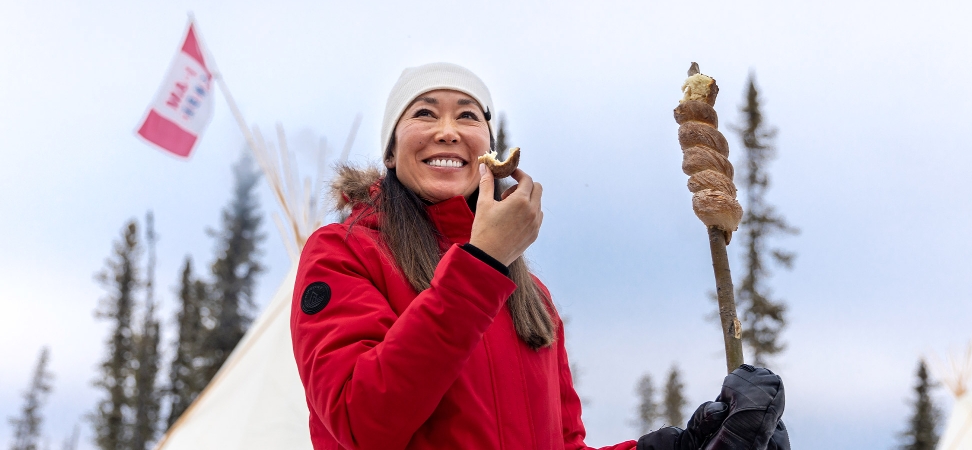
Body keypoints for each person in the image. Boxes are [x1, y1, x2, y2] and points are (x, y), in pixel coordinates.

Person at [290, 62, 789, 450]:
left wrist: (681, 445)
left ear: (488, 147)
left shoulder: (530, 298)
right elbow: (361, 424)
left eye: (468, 114)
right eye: (424, 113)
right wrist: (483, 261)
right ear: (391, 153)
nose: (448, 130)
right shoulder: (344, 252)